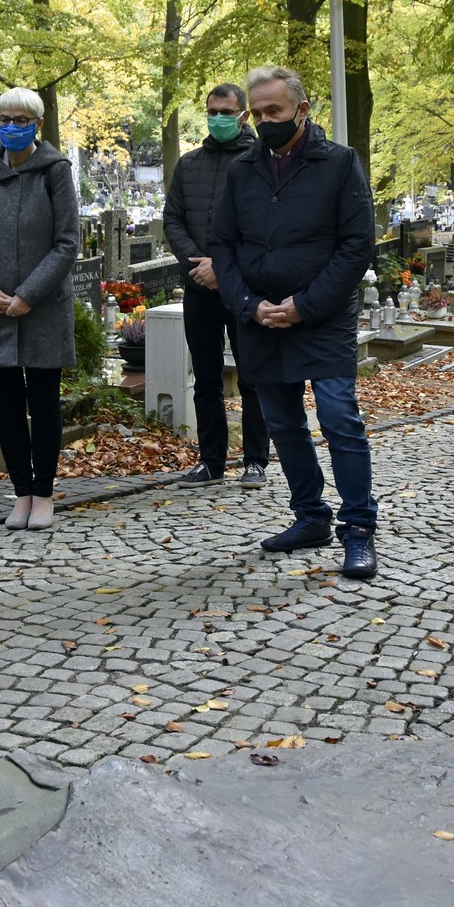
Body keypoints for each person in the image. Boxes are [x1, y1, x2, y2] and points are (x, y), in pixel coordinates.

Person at [209, 65, 380, 579]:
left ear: (302, 110)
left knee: (338, 418)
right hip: (258, 318)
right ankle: (310, 517)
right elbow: (222, 244)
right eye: (256, 114)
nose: (263, 121)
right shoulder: (242, 169)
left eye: (274, 111)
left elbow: (357, 246)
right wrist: (248, 304)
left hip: (321, 317)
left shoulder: (340, 164)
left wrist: (305, 305)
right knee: (283, 423)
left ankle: (358, 528)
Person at [0, 87, 79, 532]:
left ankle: (43, 494)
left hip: (42, 308)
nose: (11, 126)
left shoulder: (55, 171)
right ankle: (21, 493)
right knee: (7, 405)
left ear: (37, 125)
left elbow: (68, 243)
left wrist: (28, 293)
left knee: (44, 403)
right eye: (4, 118)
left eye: (20, 119)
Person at [162, 82, 270, 488]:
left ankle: (255, 460)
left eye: (226, 112)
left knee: (252, 375)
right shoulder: (189, 164)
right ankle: (211, 461)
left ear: (243, 115)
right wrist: (196, 264)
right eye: (212, 111)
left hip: (243, 286)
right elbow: (173, 218)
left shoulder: (260, 160)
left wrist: (221, 267)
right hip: (198, 286)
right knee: (205, 377)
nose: (218, 118)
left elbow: (261, 226)